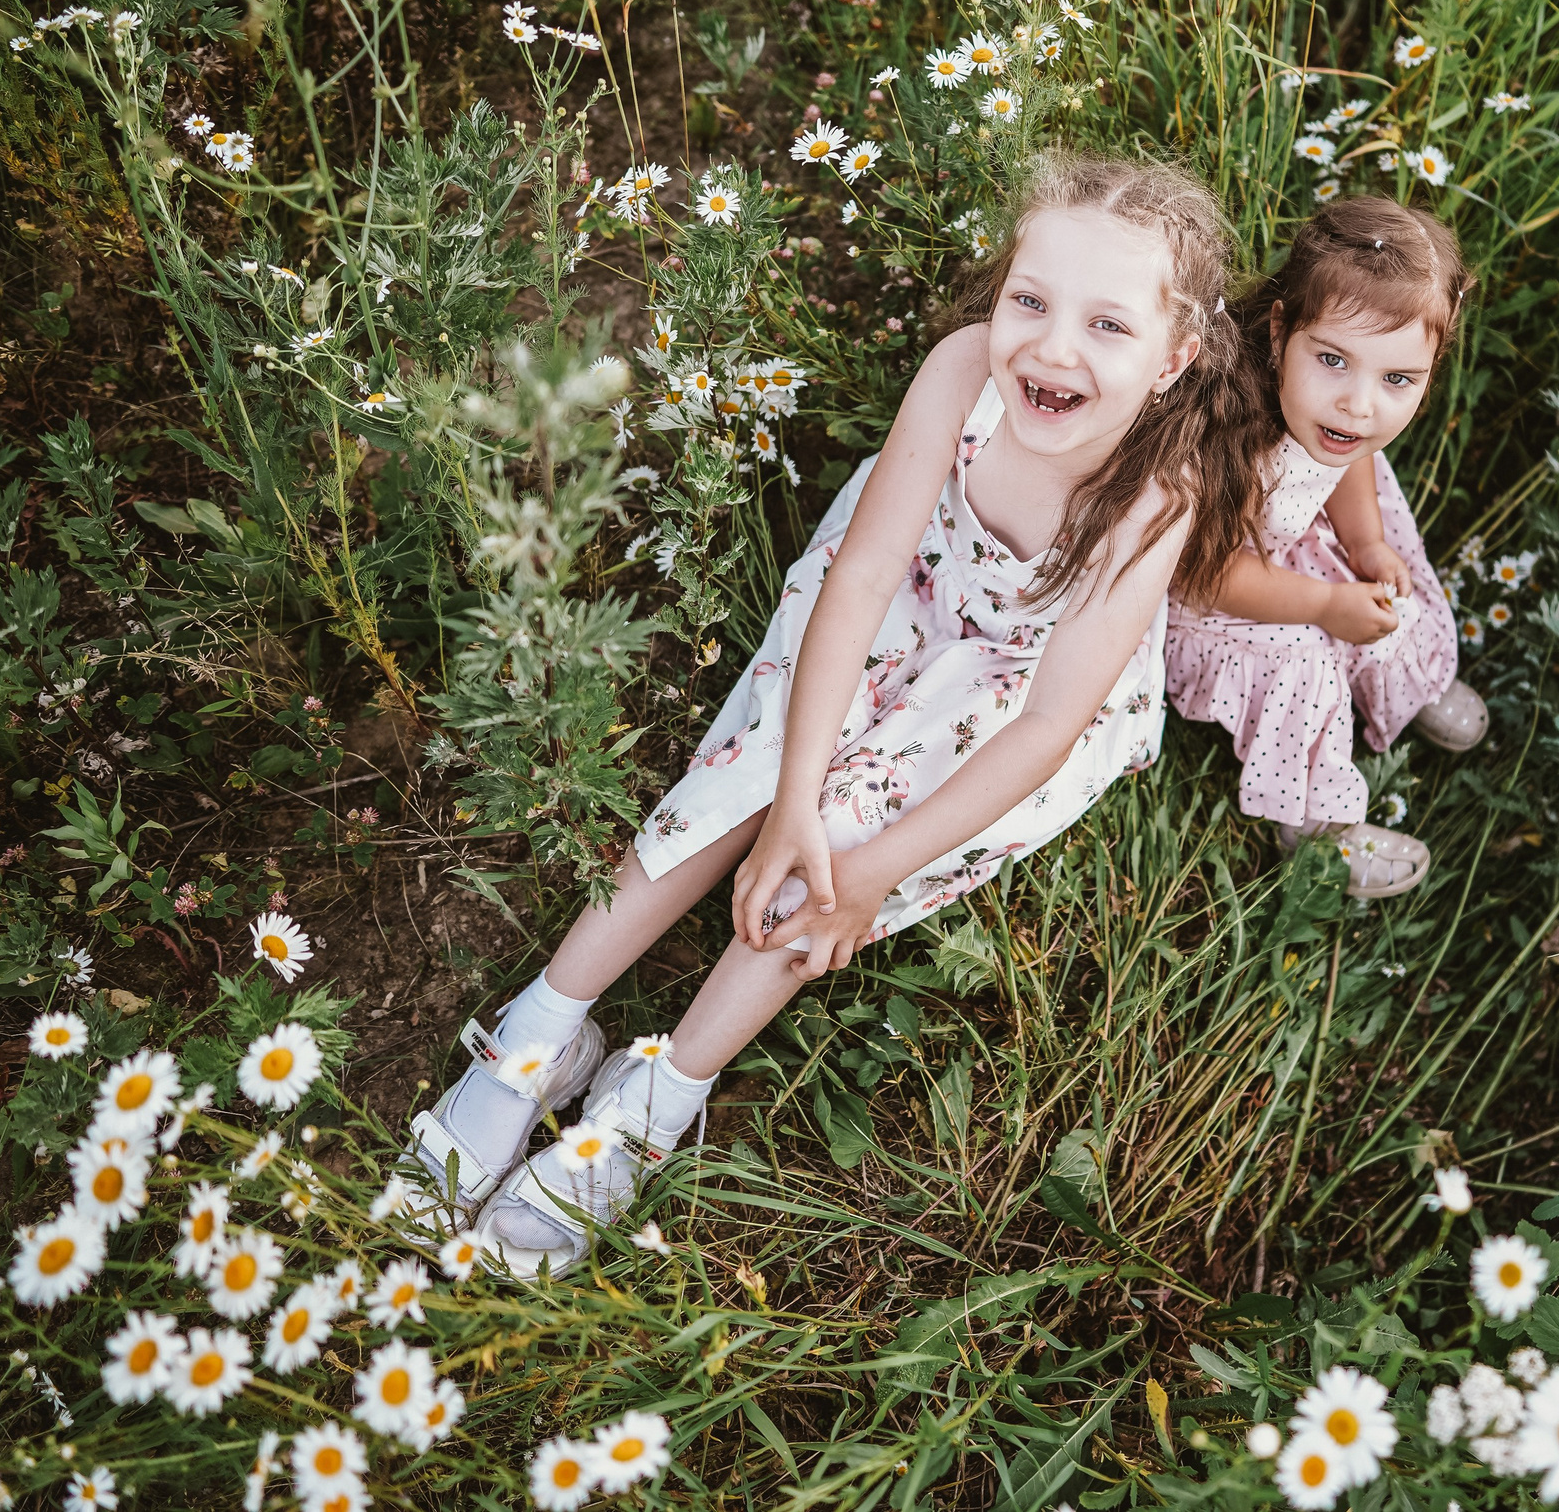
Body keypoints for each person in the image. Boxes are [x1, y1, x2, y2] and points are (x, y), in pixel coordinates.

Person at [408, 151, 1258, 1274]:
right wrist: (791, 791)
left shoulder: (1157, 494)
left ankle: (659, 1097)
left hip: (1022, 679)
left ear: (1173, 360)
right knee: (747, 770)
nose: (1051, 349)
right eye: (1031, 301)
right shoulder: (965, 371)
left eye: (1108, 327)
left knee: (848, 846)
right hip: (900, 589)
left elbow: (1047, 724)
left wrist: (852, 865)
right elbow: (861, 579)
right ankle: (539, 1033)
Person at [1164, 195, 1487, 900]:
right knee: (1307, 656)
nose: (1360, 404)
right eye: (1334, 359)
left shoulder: (1336, 418)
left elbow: (1352, 464)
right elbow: (1202, 575)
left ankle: (1405, 680)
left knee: (1378, 586)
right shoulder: (1232, 430)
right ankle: (1313, 825)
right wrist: (1322, 606)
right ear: (1281, 331)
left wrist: (1367, 544)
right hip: (1203, 593)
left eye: (1397, 378)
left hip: (1280, 546)